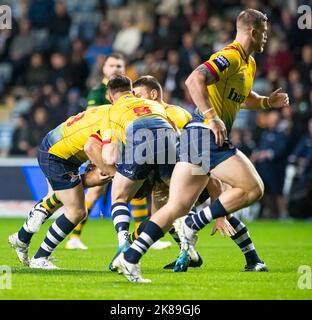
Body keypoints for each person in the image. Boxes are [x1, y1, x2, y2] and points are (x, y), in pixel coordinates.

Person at [113, 8, 289, 282]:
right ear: (253, 32)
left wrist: (266, 102)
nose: (266, 39)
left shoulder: (249, 64)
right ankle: (196, 223)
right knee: (253, 188)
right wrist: (212, 117)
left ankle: (131, 258)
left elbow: (242, 97)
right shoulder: (229, 55)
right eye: (264, 33)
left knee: (176, 207)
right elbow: (194, 79)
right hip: (206, 136)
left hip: (194, 140)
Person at [65, 53, 154, 250]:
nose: (115, 69)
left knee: (134, 188)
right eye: (111, 65)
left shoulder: (125, 93)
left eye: (119, 66)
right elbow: (95, 121)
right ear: (104, 69)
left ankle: (140, 233)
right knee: (96, 191)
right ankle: (74, 237)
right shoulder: (98, 93)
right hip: (104, 146)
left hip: (123, 145)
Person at [8, 105, 115, 269]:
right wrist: (111, 171)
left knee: (64, 195)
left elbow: (86, 133)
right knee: (77, 211)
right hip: (58, 156)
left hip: (56, 148)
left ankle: (22, 236)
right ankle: (40, 257)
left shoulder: (105, 109)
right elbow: (90, 145)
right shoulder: (114, 117)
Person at [101, 75, 178, 277]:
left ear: (111, 97)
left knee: (119, 197)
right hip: (167, 132)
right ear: (132, 91)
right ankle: (188, 250)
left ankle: (123, 246)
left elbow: (110, 154)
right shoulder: (153, 103)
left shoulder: (112, 110)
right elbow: (176, 133)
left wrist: (116, 171)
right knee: (175, 199)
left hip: (138, 131)